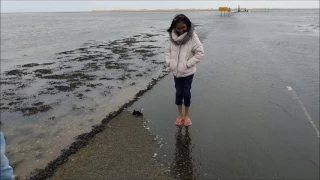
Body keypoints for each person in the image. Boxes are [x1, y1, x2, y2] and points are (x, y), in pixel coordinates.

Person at [165, 14, 204, 126]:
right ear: (174, 27)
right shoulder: (171, 36)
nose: (181, 30)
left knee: (186, 93)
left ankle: (186, 115)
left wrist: (187, 64)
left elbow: (200, 53)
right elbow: (168, 51)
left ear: (187, 25)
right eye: (179, 28)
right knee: (178, 93)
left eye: (184, 27)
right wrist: (169, 62)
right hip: (176, 72)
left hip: (188, 72)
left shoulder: (193, 36)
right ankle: (179, 115)